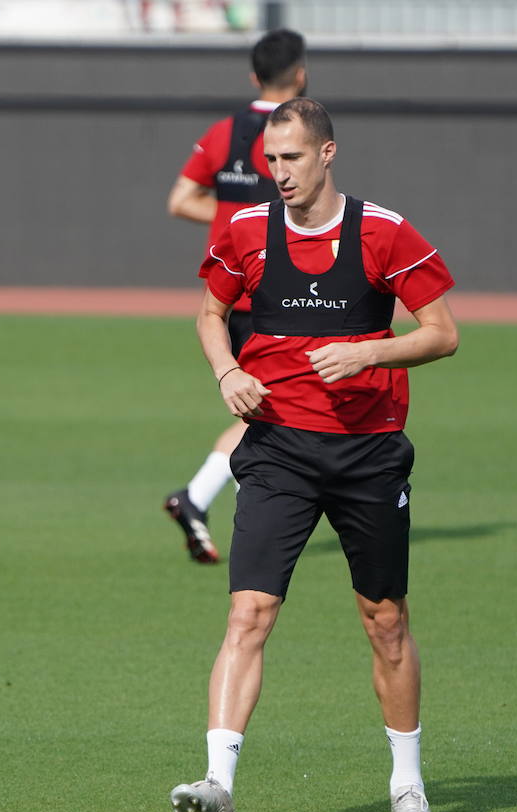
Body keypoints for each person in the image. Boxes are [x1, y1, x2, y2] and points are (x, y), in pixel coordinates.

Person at [168, 97, 459, 812]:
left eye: (292, 158)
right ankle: (218, 783)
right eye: (270, 160)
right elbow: (209, 314)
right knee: (248, 612)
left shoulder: (384, 232)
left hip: (369, 452)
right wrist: (226, 370)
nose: (278, 172)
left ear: (328, 154)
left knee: (385, 621)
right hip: (277, 450)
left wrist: (369, 349)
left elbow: (442, 334)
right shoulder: (244, 231)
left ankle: (407, 783)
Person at [163, 28, 307, 564]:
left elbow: (181, 200)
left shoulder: (224, 131)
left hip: (228, 292)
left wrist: (230, 220)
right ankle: (231, 511)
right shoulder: (297, 140)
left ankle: (199, 500)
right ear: (300, 75)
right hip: (277, 296)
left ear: (253, 76)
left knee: (264, 409)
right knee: (273, 409)